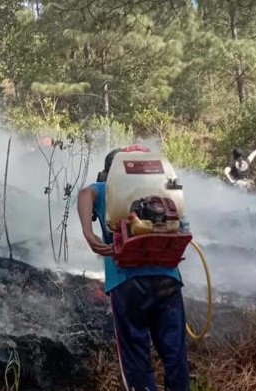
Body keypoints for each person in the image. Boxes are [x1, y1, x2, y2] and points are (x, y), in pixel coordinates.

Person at [77, 147, 189, 391]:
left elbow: (85, 193)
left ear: (108, 172)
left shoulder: (107, 187)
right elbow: (182, 222)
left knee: (135, 354)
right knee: (175, 353)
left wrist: (88, 232)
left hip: (127, 281)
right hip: (167, 277)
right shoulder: (161, 187)